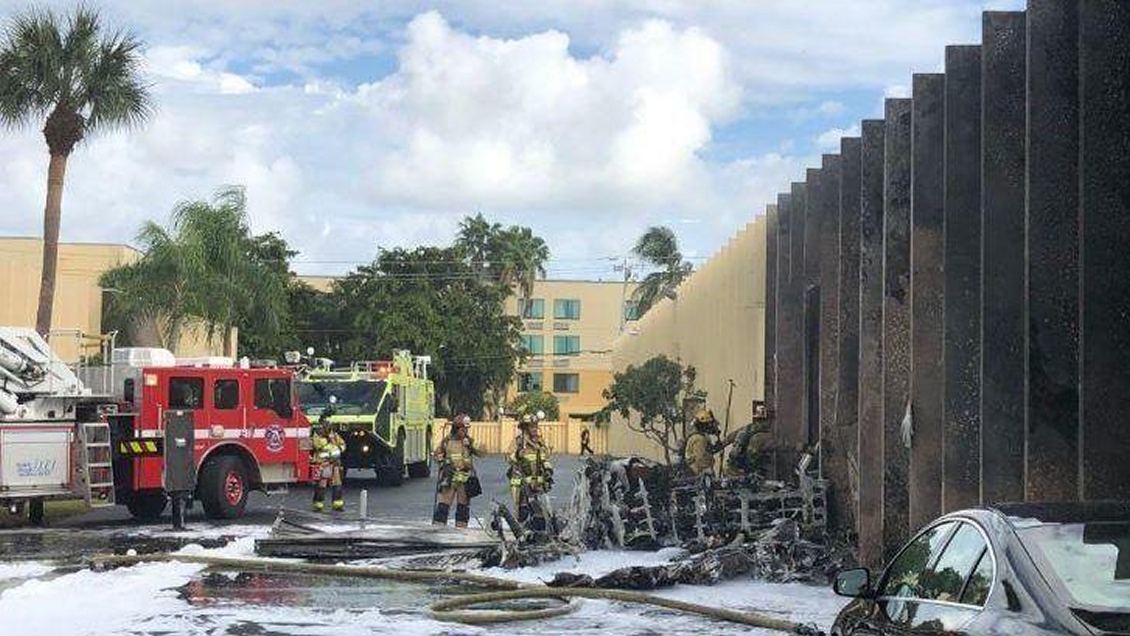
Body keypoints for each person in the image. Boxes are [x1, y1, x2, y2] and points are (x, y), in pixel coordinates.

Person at [507, 412, 553, 531]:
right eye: (531, 426)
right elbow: (508, 458)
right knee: (522, 510)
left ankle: (536, 532)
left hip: (536, 483)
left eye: (535, 426)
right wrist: (517, 454)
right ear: (525, 428)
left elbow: (544, 458)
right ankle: (521, 532)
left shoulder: (539, 443)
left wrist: (548, 471)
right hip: (520, 482)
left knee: (538, 510)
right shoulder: (518, 442)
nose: (534, 429)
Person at [432, 414, 479, 528]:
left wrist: (472, 445)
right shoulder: (447, 440)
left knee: (463, 507)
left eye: (466, 429)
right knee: (443, 505)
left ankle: (461, 530)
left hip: (465, 477)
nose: (465, 431)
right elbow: (437, 454)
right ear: (456, 428)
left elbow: (483, 452)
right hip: (450, 477)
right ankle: (438, 529)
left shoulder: (469, 441)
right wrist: (439, 459)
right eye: (463, 429)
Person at [311, 408, 346, 512]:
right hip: (324, 463)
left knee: (337, 483)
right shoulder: (317, 435)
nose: (328, 425)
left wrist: (339, 448)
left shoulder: (334, 435)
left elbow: (343, 444)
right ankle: (318, 505)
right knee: (322, 483)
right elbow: (317, 445)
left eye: (329, 423)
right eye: (326, 423)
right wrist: (328, 441)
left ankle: (337, 504)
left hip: (335, 462)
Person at [683, 408, 729, 476]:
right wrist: (707, 471)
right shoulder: (699, 439)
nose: (711, 426)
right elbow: (700, 458)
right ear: (704, 425)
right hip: (699, 473)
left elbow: (708, 451)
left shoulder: (700, 437)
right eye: (709, 424)